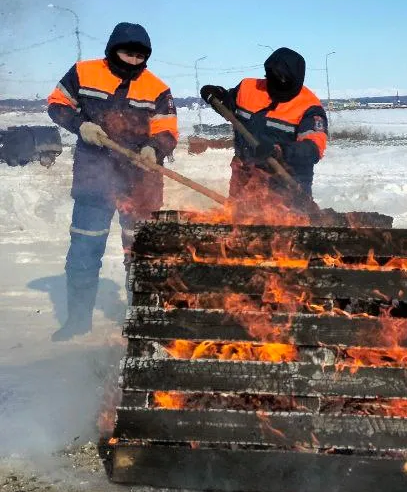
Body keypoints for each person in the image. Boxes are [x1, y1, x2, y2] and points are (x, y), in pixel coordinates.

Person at [46, 22, 177, 341]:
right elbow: (57, 105)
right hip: (95, 179)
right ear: (112, 49)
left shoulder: (157, 88)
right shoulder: (83, 72)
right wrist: (82, 126)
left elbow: (168, 131)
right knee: (84, 250)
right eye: (127, 53)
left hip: (140, 183)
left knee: (141, 255)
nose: (133, 60)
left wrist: (154, 148)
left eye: (139, 55)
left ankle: (141, 322)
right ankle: (78, 320)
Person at [200, 47, 327, 204]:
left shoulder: (309, 107)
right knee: (239, 225)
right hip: (244, 182)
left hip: (287, 189)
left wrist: (279, 151)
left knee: (287, 226)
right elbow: (229, 107)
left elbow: (313, 149)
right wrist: (217, 94)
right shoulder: (248, 88)